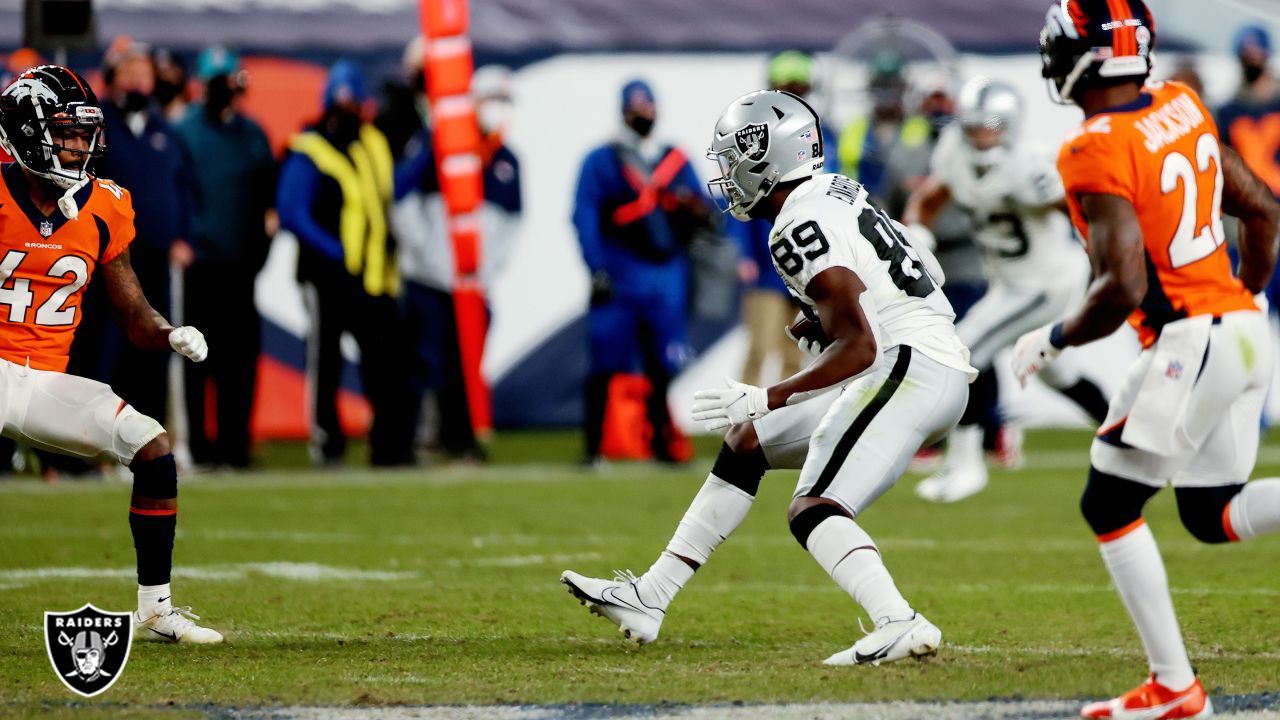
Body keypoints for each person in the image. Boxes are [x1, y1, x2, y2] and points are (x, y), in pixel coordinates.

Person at [563, 90, 976, 665]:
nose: (727, 175)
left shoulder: (795, 224)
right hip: (922, 359)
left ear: (766, 160)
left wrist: (767, 393)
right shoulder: (837, 189)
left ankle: (897, 620)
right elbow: (920, 273)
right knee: (747, 443)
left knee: (816, 508)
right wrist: (827, 320)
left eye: (734, 160)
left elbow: (860, 343)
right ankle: (650, 596)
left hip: (908, 367)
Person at [1022, 2, 1280, 716]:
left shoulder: (1091, 146)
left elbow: (1123, 285)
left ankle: (1175, 688)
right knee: (1210, 513)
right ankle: (1174, 688)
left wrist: (1051, 339)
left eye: (1057, 49)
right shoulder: (1182, 101)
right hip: (1243, 326)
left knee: (1107, 503)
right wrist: (1239, 306)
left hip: (1193, 337)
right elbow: (1262, 210)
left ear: (1086, 56)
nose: (1050, 63)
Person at [0, 65, 219, 641]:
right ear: (24, 132)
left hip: (43, 381)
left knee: (150, 445)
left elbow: (134, 316)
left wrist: (169, 332)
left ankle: (155, 610)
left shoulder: (104, 206)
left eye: (82, 134)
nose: (78, 147)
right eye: (65, 133)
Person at [905, 76, 1109, 503]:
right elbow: (926, 199)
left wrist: (1107, 268)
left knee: (963, 351)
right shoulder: (954, 155)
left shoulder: (1032, 165)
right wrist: (919, 235)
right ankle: (1127, 438)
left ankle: (966, 466)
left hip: (1046, 282)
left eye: (991, 123)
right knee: (1056, 372)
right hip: (1009, 283)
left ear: (1011, 124)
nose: (981, 133)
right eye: (974, 123)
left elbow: (1085, 214)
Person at [277, 60, 414, 467]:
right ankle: (328, 441)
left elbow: (390, 188)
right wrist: (332, 249)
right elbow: (292, 210)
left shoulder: (371, 142)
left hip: (371, 274)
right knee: (327, 359)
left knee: (387, 358)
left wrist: (428, 159)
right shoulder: (309, 147)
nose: (348, 109)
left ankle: (390, 445)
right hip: (324, 274)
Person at [572, 79, 709, 466]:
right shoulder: (603, 159)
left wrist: (693, 213)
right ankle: (592, 447)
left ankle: (662, 444)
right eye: (636, 108)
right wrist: (595, 265)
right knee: (605, 360)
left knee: (662, 363)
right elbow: (584, 215)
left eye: (647, 107)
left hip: (665, 272)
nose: (643, 115)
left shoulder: (675, 160)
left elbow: (703, 215)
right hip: (620, 268)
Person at [390, 63, 522, 462]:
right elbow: (402, 197)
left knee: (465, 365)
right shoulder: (437, 143)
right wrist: (428, 255)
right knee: (422, 362)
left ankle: (459, 439)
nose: (498, 109)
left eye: (505, 101)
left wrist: (485, 267)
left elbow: (512, 222)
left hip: (471, 283)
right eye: (492, 100)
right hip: (429, 279)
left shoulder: (505, 159)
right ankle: (412, 441)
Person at [173, 47, 275, 469]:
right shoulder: (185, 132)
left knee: (240, 359)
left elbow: (266, 196)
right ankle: (200, 446)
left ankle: (237, 446)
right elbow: (175, 189)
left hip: (243, 263)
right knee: (198, 359)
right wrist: (182, 239)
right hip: (201, 262)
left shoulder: (253, 134)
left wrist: (263, 243)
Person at [89, 38, 194, 426]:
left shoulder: (163, 129)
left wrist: (182, 235)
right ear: (113, 75)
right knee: (105, 345)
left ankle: (146, 437)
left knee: (154, 344)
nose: (138, 80)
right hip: (108, 256)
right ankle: (93, 440)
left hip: (155, 254)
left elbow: (183, 186)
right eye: (130, 71)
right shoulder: (95, 124)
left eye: (144, 72)